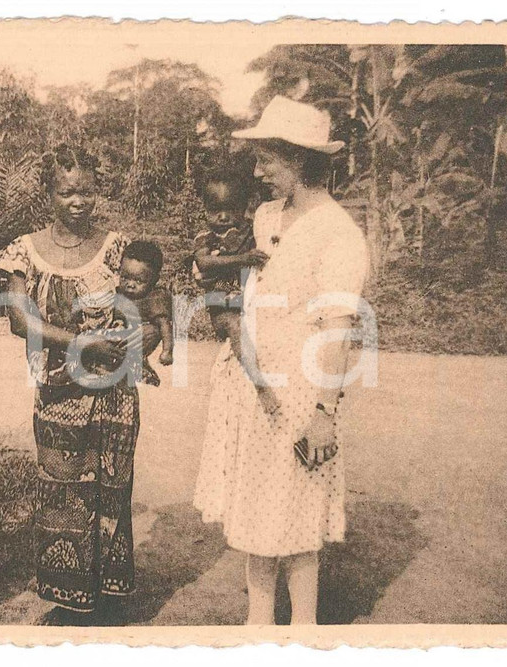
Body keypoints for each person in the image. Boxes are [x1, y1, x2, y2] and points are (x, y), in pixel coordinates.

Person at [193, 96, 370, 625]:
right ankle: (259, 627)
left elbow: (337, 329)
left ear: (300, 159)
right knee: (255, 510)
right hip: (251, 386)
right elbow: (246, 293)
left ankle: (305, 631)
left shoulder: (339, 233)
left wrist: (323, 413)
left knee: (297, 515)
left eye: (267, 159)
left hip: (299, 392)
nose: (258, 171)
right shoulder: (267, 215)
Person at [0, 144, 156, 618]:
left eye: (86, 190)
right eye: (67, 191)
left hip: (116, 395)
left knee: (112, 488)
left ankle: (107, 593)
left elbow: (155, 291)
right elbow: (20, 322)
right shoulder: (23, 251)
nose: (78, 201)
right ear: (49, 192)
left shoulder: (118, 246)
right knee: (63, 489)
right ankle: (67, 598)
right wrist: (83, 343)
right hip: (59, 394)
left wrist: (155, 327)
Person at [190, 167, 273, 407]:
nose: (223, 217)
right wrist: (243, 259)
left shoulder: (251, 230)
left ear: (244, 206)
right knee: (236, 329)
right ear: (206, 209)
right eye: (216, 210)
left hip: (250, 301)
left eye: (231, 209)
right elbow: (204, 261)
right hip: (223, 306)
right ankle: (260, 383)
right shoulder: (206, 238)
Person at [112, 239, 174, 386]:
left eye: (138, 281)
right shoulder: (117, 293)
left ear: (154, 280)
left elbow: (164, 325)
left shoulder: (153, 298)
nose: (130, 285)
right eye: (125, 277)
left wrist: (167, 350)